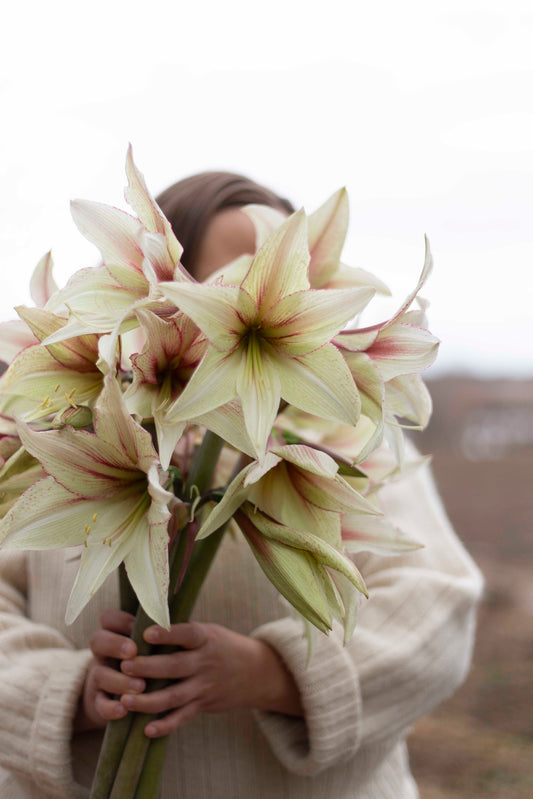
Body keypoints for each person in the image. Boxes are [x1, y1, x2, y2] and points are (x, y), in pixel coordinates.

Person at [0, 171, 484, 799]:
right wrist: (67, 695)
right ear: (169, 296)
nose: (272, 290)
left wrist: (272, 674)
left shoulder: (344, 435)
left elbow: (439, 608)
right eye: (236, 276)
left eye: (292, 274)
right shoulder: (63, 436)